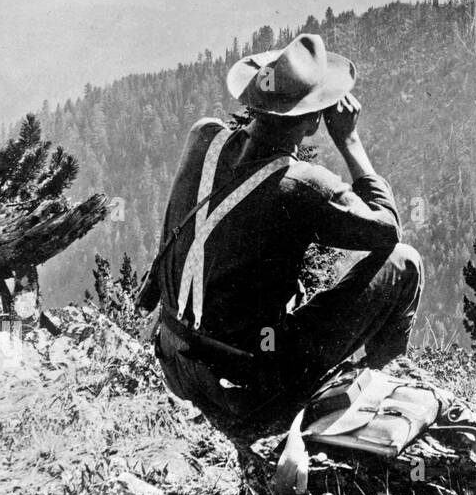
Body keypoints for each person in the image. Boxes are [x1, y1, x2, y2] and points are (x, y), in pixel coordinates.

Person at [144, 33, 421, 440]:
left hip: (176, 363)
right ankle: (382, 384)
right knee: (404, 262)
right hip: (246, 392)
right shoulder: (301, 184)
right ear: (312, 123)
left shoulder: (204, 136)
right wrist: (350, 141)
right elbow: (386, 230)